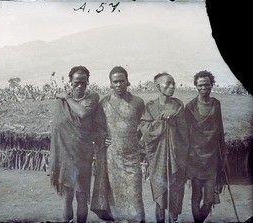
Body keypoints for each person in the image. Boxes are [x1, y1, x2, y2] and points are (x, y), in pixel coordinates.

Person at [91, 66, 145, 222]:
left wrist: (136, 138)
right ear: (110, 84)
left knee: (135, 196)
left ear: (128, 81)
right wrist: (102, 137)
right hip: (113, 158)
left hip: (133, 157)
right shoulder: (104, 104)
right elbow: (97, 127)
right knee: (116, 197)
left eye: (122, 81)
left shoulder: (137, 102)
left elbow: (145, 124)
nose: (119, 84)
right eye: (115, 82)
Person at [49, 66, 99, 223]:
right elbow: (57, 127)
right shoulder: (61, 103)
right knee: (67, 196)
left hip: (83, 153)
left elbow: (83, 113)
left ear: (87, 82)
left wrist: (67, 98)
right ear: (70, 81)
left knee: (82, 195)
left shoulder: (92, 98)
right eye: (76, 82)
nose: (80, 86)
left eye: (83, 82)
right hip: (65, 155)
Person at [139, 72, 189, 223]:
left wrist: (173, 115)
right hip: (157, 157)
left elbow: (184, 130)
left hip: (176, 156)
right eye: (168, 83)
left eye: (173, 83)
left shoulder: (178, 105)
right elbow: (145, 130)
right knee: (160, 195)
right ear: (158, 86)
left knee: (175, 193)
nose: (172, 86)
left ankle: (173, 220)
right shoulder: (150, 107)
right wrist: (160, 120)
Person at [185, 70, 228, 223]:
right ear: (196, 86)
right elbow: (185, 134)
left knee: (209, 200)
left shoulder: (216, 104)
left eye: (207, 84)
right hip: (195, 158)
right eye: (201, 84)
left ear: (212, 85)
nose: (204, 87)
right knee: (196, 197)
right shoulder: (189, 107)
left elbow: (220, 129)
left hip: (212, 159)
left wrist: (224, 153)